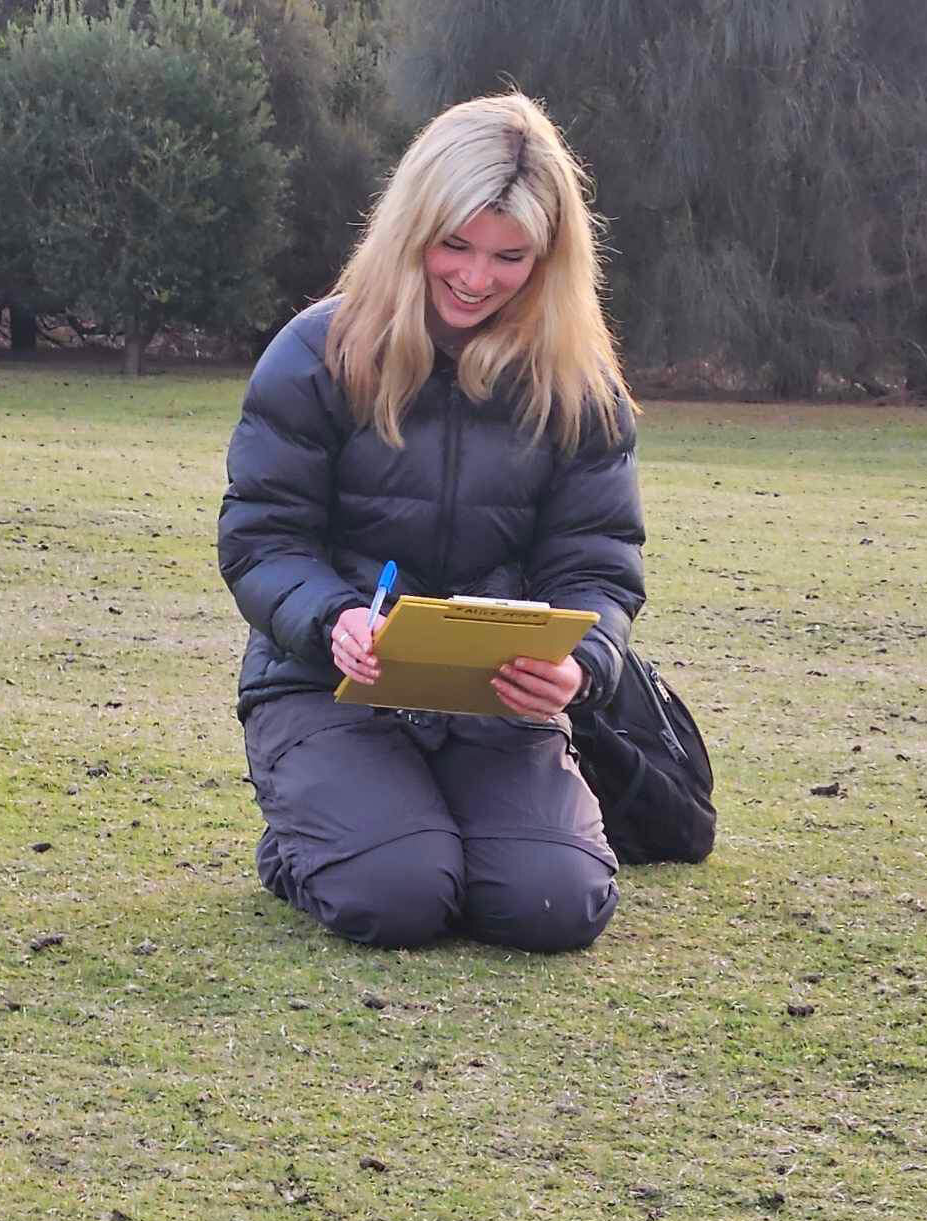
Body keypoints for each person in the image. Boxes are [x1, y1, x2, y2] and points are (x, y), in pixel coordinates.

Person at [217, 92, 645, 951]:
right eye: (454, 244)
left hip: (494, 703)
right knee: (397, 897)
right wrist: (331, 617)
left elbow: (598, 562)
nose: (476, 277)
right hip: (327, 684)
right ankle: (312, 844)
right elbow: (262, 537)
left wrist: (584, 666)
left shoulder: (579, 386)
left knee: (554, 906)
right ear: (412, 227)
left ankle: (451, 823)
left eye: (510, 255)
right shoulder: (316, 353)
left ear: (550, 257)